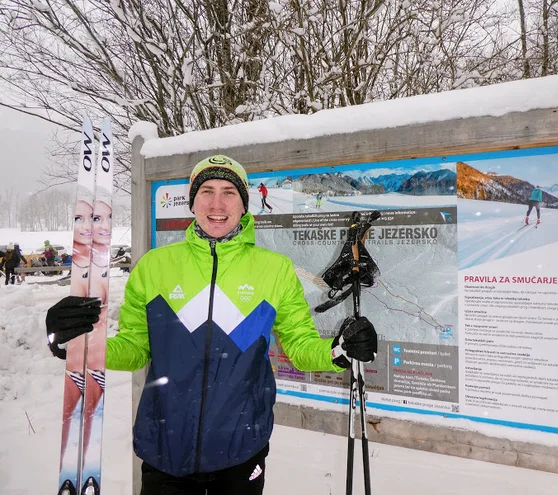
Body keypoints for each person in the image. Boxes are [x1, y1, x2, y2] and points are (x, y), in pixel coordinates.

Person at [45, 154, 377, 495]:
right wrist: (78, 345)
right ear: (192, 201)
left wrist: (339, 350)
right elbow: (134, 349)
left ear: (244, 204)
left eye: (229, 192)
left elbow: (301, 347)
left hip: (241, 449)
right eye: (206, 190)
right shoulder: (154, 267)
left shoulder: (274, 270)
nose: (216, 203)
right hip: (165, 449)